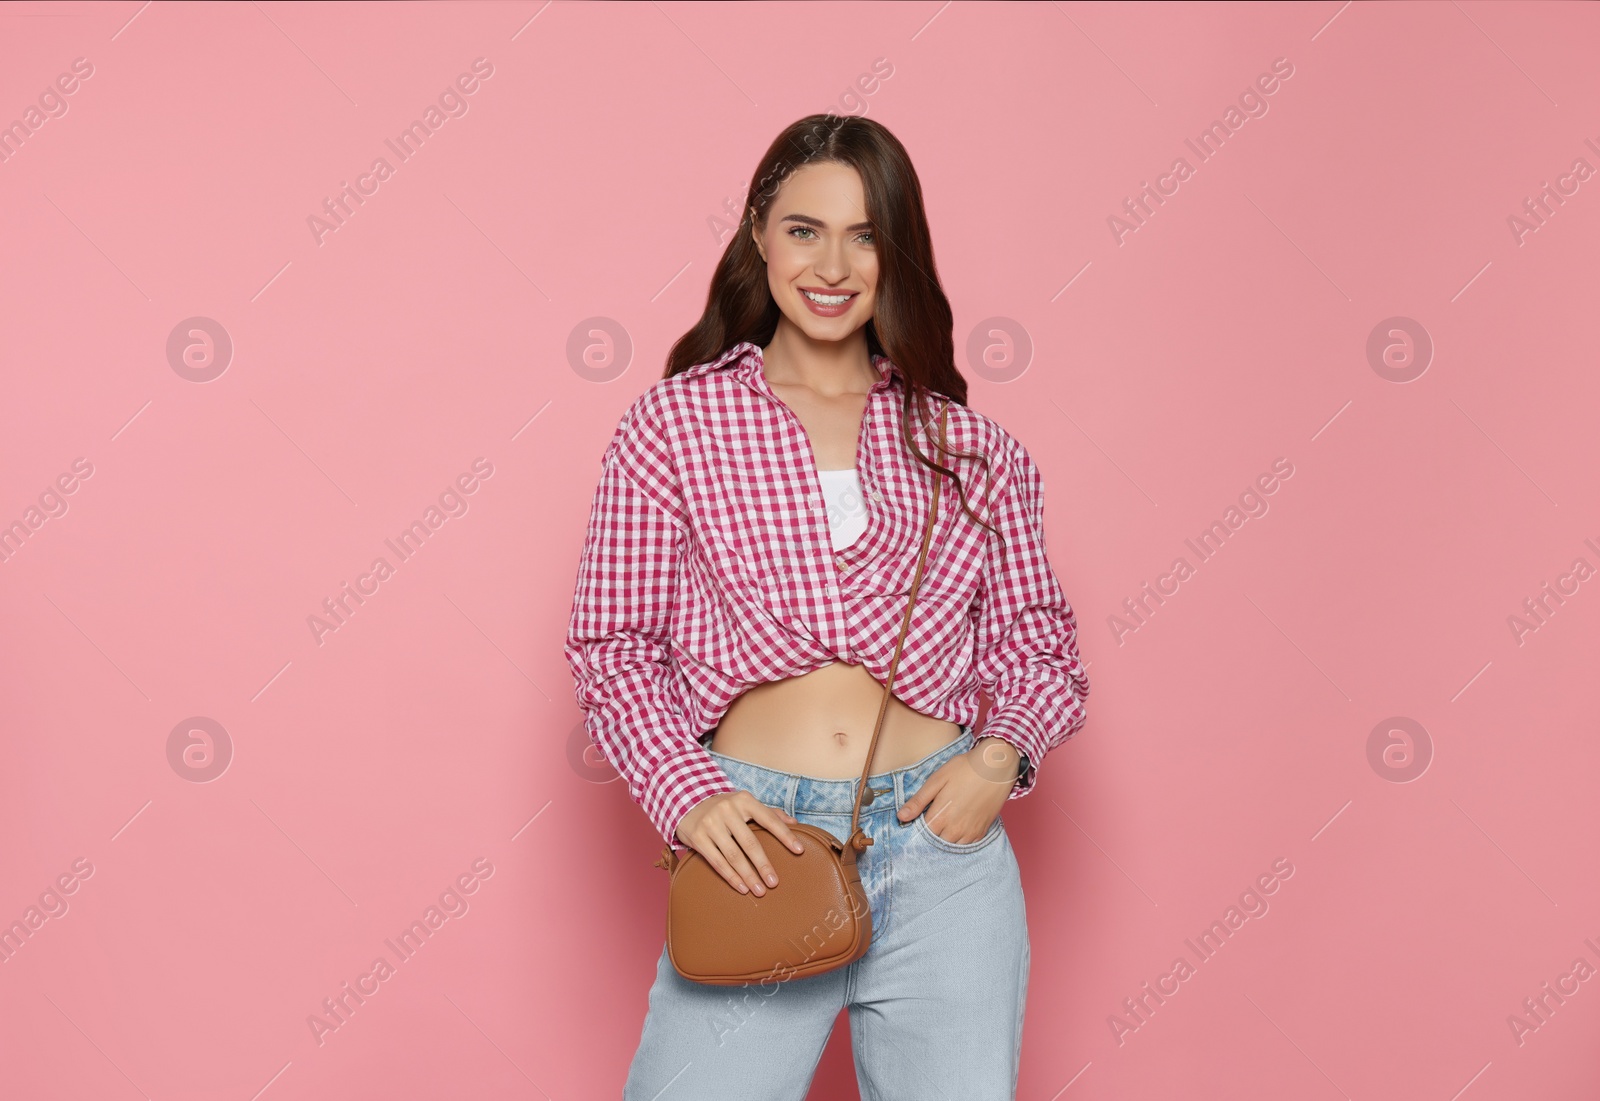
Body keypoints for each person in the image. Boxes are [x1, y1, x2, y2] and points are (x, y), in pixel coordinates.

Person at [564, 113, 1089, 1101]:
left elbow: (1039, 650)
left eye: (865, 236)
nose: (832, 263)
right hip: (758, 845)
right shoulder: (674, 425)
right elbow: (614, 650)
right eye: (805, 229)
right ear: (759, 232)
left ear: (898, 256)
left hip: (943, 852)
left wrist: (997, 757)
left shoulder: (970, 447)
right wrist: (689, 795)